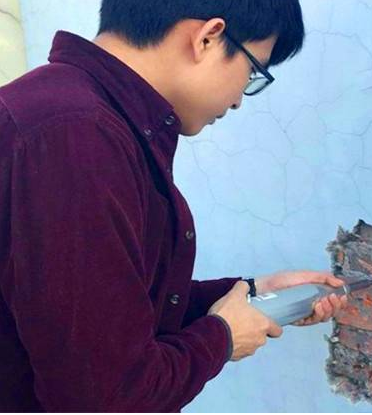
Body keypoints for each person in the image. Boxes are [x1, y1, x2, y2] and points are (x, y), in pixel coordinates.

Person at [0, 0, 348, 411]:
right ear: (208, 37)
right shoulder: (75, 136)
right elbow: (106, 397)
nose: (240, 99)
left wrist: (251, 293)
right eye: (253, 70)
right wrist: (221, 337)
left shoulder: (70, 113)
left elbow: (105, 314)